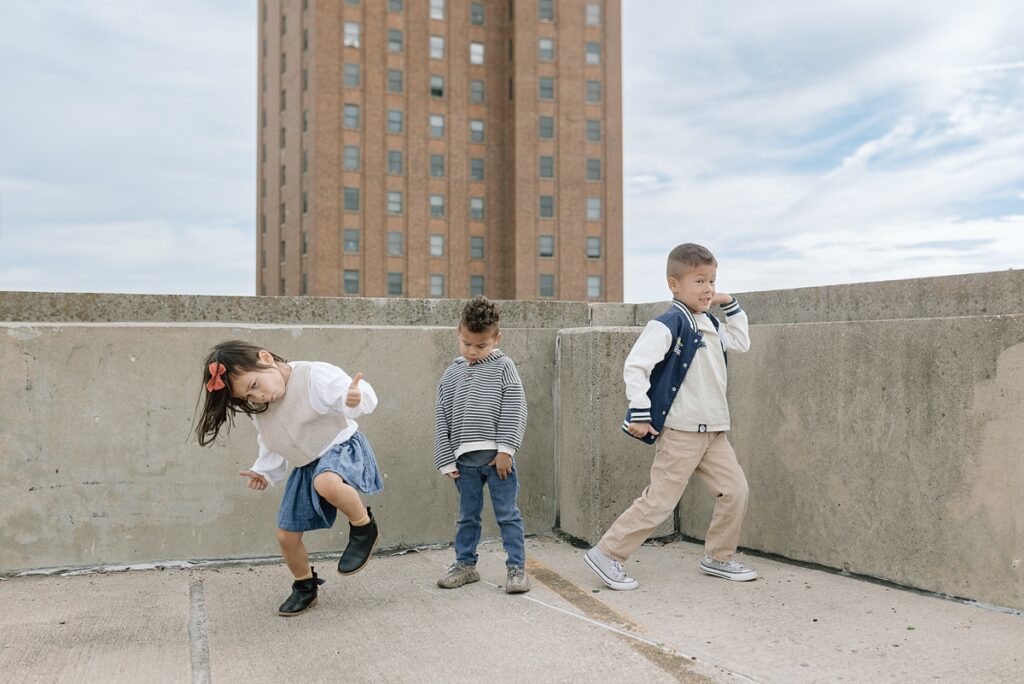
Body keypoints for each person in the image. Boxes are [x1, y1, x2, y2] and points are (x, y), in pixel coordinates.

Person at [584, 243, 757, 590]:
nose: (707, 288)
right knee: (660, 500)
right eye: (699, 281)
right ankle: (608, 553)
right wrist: (640, 410)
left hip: (714, 431)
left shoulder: (708, 321)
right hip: (680, 431)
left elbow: (740, 342)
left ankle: (718, 557)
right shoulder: (670, 322)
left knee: (735, 490)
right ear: (674, 284)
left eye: (712, 280)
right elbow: (636, 365)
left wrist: (730, 304)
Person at [195, 340, 382, 616]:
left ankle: (364, 528)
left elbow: (355, 394)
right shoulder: (261, 411)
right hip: (307, 466)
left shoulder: (311, 375)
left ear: (266, 358)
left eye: (255, 385)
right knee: (286, 535)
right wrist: (264, 471)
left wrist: (354, 398)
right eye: (247, 397)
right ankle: (305, 586)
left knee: (326, 482)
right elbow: (271, 442)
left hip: (340, 447)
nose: (257, 398)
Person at [434, 296, 531, 594]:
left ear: (496, 339)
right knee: (467, 517)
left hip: (497, 461)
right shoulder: (451, 374)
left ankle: (517, 569)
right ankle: (465, 565)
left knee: (507, 515)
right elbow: (442, 414)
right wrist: (447, 460)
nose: (473, 351)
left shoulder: (504, 367)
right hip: (465, 464)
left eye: (481, 346)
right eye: (467, 344)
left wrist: (506, 450)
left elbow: (515, 408)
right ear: (458, 332)